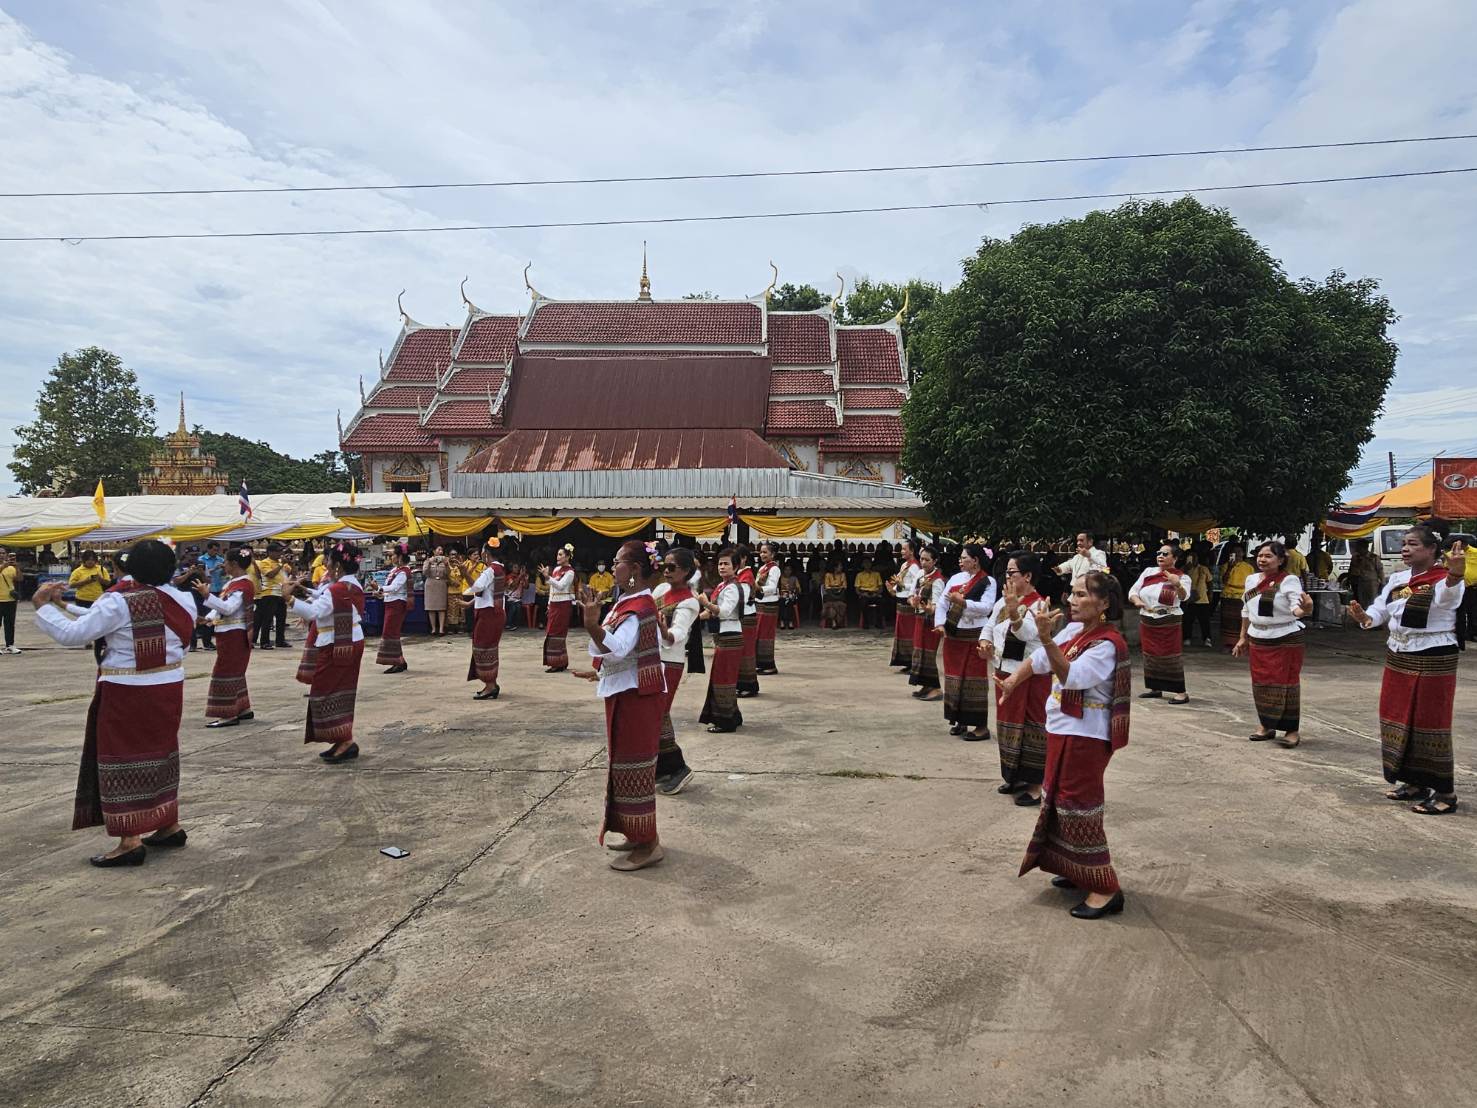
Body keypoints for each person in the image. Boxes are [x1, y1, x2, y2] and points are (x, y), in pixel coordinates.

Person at [30, 540, 194, 867]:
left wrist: (44, 607)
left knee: (122, 758)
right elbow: (104, 620)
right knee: (161, 754)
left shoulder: (119, 601)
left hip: (127, 688)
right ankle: (166, 822)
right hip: (169, 685)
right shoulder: (184, 599)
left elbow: (76, 635)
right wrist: (66, 606)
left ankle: (130, 840)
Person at [999, 570, 1131, 919]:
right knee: (1057, 799)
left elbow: (1071, 677)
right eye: (1071, 594)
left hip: (1085, 735)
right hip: (1062, 728)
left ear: (1103, 604)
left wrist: (1046, 639)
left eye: (1082, 595)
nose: (1072, 601)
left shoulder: (1106, 644)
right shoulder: (1076, 631)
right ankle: (1076, 869)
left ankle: (1105, 888)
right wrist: (1013, 679)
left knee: (1078, 804)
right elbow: (1042, 661)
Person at [1348, 528, 1467, 815]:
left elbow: (1447, 599)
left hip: (1433, 656)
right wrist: (1367, 618)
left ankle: (1445, 793)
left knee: (1430, 722)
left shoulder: (1442, 578)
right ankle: (1414, 782)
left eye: (1413, 544)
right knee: (1399, 717)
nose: (1405, 549)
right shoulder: (1399, 579)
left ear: (1431, 551)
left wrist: (1455, 575)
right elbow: (1383, 608)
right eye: (1403, 544)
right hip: (1399, 654)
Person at [575, 540, 666, 871]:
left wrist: (591, 625)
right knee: (624, 766)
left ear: (635, 570)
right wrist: (598, 671)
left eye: (617, 563)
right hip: (627, 691)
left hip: (637, 697)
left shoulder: (639, 605)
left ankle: (649, 842)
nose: (613, 568)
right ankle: (634, 831)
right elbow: (619, 655)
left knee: (636, 768)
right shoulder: (627, 601)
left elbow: (620, 649)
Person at [982, 552, 1054, 804]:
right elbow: (990, 624)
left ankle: (1035, 785)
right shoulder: (1005, 601)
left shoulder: (1038, 605)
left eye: (1012, 572)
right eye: (1007, 572)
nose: (1007, 576)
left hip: (1029, 675)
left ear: (1027, 576)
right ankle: (1014, 775)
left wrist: (1014, 613)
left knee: (1032, 725)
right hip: (1004, 671)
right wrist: (984, 641)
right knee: (1009, 725)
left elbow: (1025, 635)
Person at [287, 542, 366, 764]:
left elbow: (313, 612)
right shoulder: (349, 586)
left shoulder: (338, 589)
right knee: (337, 691)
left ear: (338, 565)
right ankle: (342, 738)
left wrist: (290, 599)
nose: (326, 565)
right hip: (346, 641)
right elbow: (322, 601)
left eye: (329, 562)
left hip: (337, 644)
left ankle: (345, 739)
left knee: (327, 691)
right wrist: (302, 592)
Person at [1232, 541, 1312, 749]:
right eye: (1260, 555)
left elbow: (1296, 606)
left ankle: (1291, 730)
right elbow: (1246, 610)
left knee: (1286, 685)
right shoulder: (1251, 579)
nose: (1262, 559)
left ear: (1281, 560)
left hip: (1285, 638)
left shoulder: (1288, 580)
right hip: (1258, 638)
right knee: (1261, 683)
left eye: (1268, 556)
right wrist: (1243, 637)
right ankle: (1266, 725)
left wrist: (1303, 610)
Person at [653, 546, 701, 795]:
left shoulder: (689, 601)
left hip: (670, 661)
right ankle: (664, 767)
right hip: (653, 657)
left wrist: (663, 631)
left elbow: (678, 634)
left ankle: (678, 767)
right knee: (654, 714)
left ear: (686, 572)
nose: (667, 571)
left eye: (672, 568)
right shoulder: (661, 590)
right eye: (665, 565)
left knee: (658, 713)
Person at [938, 542, 998, 740]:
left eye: (964, 558)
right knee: (955, 679)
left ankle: (981, 726)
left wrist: (964, 602)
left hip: (975, 636)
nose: (960, 560)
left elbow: (987, 607)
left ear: (975, 561)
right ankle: (960, 720)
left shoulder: (988, 581)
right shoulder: (956, 578)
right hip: (954, 635)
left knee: (975, 680)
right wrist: (940, 624)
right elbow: (942, 602)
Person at [196, 545, 257, 728]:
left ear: (234, 564)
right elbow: (223, 606)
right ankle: (242, 709)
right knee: (234, 672)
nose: (224, 565)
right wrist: (207, 618)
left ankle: (228, 714)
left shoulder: (242, 585)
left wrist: (207, 596)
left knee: (225, 672)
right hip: (229, 633)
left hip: (234, 634)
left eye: (226, 562)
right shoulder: (233, 583)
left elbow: (229, 608)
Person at [1128, 545, 1191, 704]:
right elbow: (1133, 591)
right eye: (1158, 553)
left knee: (1170, 655)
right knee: (1150, 654)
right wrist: (1137, 601)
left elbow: (1184, 597)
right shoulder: (1149, 572)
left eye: (1165, 554)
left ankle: (1181, 692)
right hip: (1148, 619)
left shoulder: (1182, 577)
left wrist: (1177, 584)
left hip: (1168, 620)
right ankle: (1155, 688)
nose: (1160, 556)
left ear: (1175, 558)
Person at [698, 547, 745, 733]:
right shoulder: (721, 586)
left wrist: (706, 603)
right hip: (723, 636)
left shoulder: (733, 587)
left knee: (723, 678)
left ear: (735, 567)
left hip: (730, 635)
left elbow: (724, 612)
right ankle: (733, 715)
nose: (722, 567)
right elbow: (710, 612)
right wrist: (694, 617)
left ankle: (726, 721)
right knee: (723, 676)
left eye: (726, 564)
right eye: (720, 563)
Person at [467, 540, 507, 700]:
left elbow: (477, 588)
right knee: (488, 647)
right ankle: (491, 683)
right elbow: (485, 592)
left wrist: (465, 573)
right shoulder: (500, 568)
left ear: (486, 554)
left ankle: (490, 686)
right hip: (494, 613)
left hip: (488, 614)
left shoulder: (490, 570)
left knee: (483, 647)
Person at [908, 544, 945, 701]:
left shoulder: (938, 581)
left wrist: (929, 609)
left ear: (934, 561)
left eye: (927, 560)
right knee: (919, 652)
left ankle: (936, 688)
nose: (923, 562)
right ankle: (927, 685)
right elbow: (910, 595)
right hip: (919, 618)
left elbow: (937, 606)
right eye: (922, 559)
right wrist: (914, 603)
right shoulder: (920, 575)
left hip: (930, 622)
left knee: (929, 654)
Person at [372, 549, 413, 675]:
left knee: (390, 632)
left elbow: (395, 588)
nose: (392, 557)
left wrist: (379, 588)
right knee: (391, 632)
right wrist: (380, 593)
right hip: (391, 603)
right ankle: (400, 661)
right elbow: (390, 589)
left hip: (397, 604)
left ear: (400, 557)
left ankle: (397, 662)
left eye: (394, 555)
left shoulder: (403, 572)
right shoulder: (395, 571)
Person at [540, 545, 577, 672]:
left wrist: (547, 577)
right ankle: (561, 661)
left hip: (563, 604)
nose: (558, 557)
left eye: (561, 554)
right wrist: (549, 603)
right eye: (557, 554)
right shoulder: (556, 569)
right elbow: (552, 588)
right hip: (555, 604)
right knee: (551, 631)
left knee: (557, 632)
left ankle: (557, 663)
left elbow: (561, 586)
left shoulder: (570, 572)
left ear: (567, 557)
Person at [890, 539, 924, 669]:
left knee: (909, 632)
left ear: (912, 551)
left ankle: (912, 662)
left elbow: (918, 585)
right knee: (902, 632)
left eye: (905, 549)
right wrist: (893, 589)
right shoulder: (904, 565)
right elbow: (899, 581)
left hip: (908, 603)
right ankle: (906, 661)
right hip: (900, 601)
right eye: (902, 549)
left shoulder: (915, 566)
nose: (902, 551)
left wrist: (902, 585)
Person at [734, 546, 761, 696]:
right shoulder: (742, 575)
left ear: (744, 558)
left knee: (746, 651)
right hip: (744, 616)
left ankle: (748, 686)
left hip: (747, 616)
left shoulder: (746, 576)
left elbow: (741, 599)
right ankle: (744, 684)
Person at [249, 546, 286, 650]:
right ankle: (264, 642)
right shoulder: (265, 562)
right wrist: (281, 564)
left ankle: (280, 640)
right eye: (278, 551)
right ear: (270, 552)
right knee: (267, 619)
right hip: (269, 593)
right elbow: (270, 575)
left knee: (281, 619)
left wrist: (289, 563)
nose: (280, 554)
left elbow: (292, 572)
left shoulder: (279, 562)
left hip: (281, 593)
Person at [754, 541, 782, 675]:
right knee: (759, 635)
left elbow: (772, 587)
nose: (762, 554)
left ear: (773, 554)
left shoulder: (774, 569)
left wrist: (759, 589)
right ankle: (761, 663)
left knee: (766, 635)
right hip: (760, 603)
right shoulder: (762, 568)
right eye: (761, 552)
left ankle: (770, 666)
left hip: (769, 604)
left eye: (765, 552)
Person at [1219, 543, 1252, 653]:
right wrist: (1230, 567)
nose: (1237, 554)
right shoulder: (1225, 565)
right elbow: (1223, 580)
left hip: (1243, 595)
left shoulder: (1248, 567)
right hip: (1228, 595)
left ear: (1243, 553)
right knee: (1228, 621)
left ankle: (1242, 644)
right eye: (1234, 552)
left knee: (1242, 620)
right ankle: (1228, 644)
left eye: (1239, 551)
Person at [1182, 549, 1214, 648]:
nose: (1192, 559)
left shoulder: (1203, 569)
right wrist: (1186, 569)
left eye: (1194, 557)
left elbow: (1210, 582)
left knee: (1204, 621)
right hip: (1189, 599)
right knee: (1187, 620)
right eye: (1190, 557)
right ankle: (1187, 638)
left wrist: (1210, 594)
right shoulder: (1184, 569)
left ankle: (1207, 639)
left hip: (1202, 599)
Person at [1347, 539, 1385, 610]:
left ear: (1365, 547)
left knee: (1372, 602)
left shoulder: (1373, 557)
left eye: (1358, 547)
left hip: (1371, 584)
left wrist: (1383, 583)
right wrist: (1349, 580)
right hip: (1359, 583)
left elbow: (1380, 570)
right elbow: (1351, 570)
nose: (1356, 548)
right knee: (1361, 602)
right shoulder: (1355, 557)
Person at [423, 546, 450, 635]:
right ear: (434, 551)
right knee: (431, 608)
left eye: (442, 550)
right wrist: (429, 563)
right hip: (431, 584)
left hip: (441, 583)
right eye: (438, 549)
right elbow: (425, 572)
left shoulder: (445, 560)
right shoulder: (428, 560)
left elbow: (448, 574)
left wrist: (446, 564)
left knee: (441, 607)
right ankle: (433, 628)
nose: (440, 551)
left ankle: (441, 629)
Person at [1, 547, 22, 654]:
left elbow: (19, 579)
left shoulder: (10, 568)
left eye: (3, 553)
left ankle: (10, 645)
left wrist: (17, 567)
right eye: (0, 553)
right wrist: (2, 567)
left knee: (9, 624)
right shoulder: (4, 566)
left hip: (10, 600)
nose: (1, 555)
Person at [854, 557, 885, 629]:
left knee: (882, 602)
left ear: (871, 564)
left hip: (875, 593)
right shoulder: (859, 575)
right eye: (865, 563)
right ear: (862, 565)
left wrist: (876, 594)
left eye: (869, 563)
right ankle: (866, 623)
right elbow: (857, 590)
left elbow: (881, 588)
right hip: (864, 593)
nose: (867, 564)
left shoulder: (877, 574)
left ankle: (879, 623)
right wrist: (863, 594)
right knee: (863, 603)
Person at [822, 560, 848, 628]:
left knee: (839, 603)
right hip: (830, 594)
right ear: (835, 568)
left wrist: (834, 587)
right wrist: (837, 587)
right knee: (831, 604)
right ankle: (834, 621)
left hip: (840, 594)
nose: (841, 567)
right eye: (840, 566)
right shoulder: (828, 575)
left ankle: (836, 621)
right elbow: (827, 586)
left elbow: (844, 586)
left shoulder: (843, 574)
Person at [779, 561, 801, 630]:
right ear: (783, 570)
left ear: (791, 571)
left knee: (790, 602)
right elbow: (777, 588)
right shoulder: (780, 578)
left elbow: (799, 589)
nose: (787, 571)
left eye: (789, 570)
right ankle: (782, 621)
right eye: (786, 570)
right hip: (782, 596)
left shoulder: (794, 578)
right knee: (782, 601)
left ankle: (790, 621)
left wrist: (793, 589)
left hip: (792, 596)